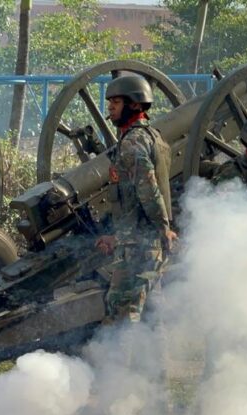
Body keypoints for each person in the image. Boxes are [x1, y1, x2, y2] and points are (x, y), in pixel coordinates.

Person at [95, 75, 177, 322]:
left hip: (138, 248)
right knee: (153, 315)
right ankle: (158, 362)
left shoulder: (132, 143)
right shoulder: (154, 137)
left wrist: (164, 230)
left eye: (116, 102)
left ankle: (119, 362)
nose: (110, 107)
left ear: (135, 105)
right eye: (110, 102)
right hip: (144, 243)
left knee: (122, 314)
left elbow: (148, 192)